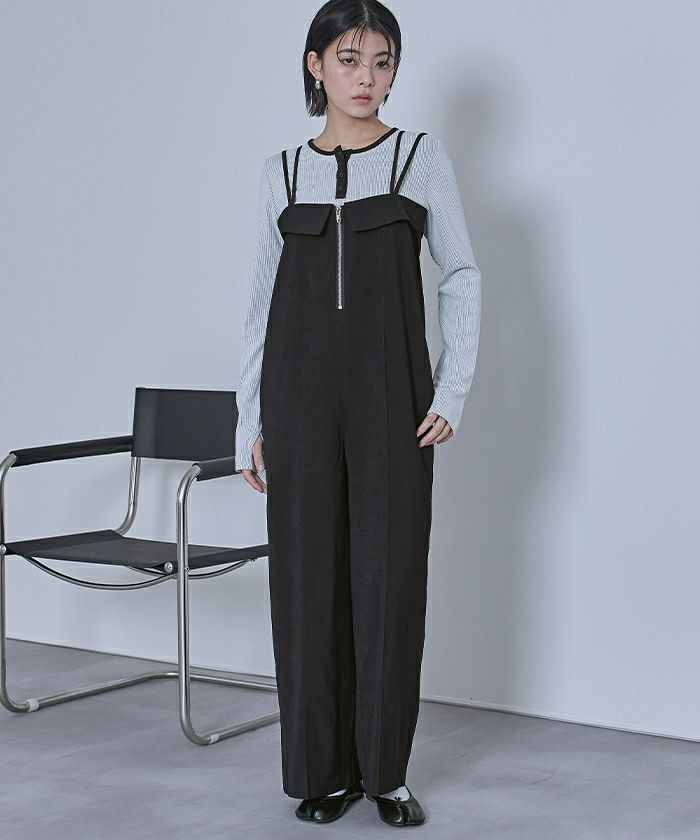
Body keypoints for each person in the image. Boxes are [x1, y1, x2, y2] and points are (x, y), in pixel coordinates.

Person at [234, 0, 481, 828]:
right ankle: (323, 773)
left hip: (392, 398)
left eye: (381, 61)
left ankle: (387, 774)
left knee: (389, 579)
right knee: (307, 584)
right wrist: (248, 420)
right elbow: (259, 303)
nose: (366, 78)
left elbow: (461, 274)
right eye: (349, 60)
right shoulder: (281, 172)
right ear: (316, 66)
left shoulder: (418, 157)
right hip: (298, 400)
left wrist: (451, 389)